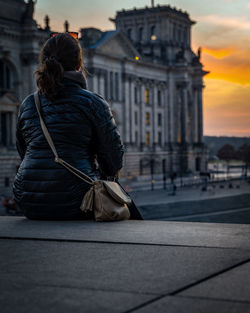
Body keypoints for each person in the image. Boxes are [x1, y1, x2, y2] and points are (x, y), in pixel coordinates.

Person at [13, 32, 142, 220]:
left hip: (28, 199)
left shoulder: (28, 103)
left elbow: (23, 151)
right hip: (78, 200)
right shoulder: (93, 103)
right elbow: (113, 159)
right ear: (78, 64)